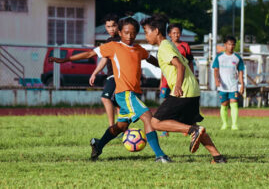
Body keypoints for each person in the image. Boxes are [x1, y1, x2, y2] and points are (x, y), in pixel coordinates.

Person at [49, 17, 171, 163]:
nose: (129, 36)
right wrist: (65, 60)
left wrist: (165, 66)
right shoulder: (113, 46)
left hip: (134, 94)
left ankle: (98, 145)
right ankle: (160, 156)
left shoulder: (138, 49)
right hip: (124, 93)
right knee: (147, 117)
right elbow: (89, 54)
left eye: (133, 33)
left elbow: (150, 58)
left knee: (121, 126)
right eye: (126, 32)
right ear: (120, 32)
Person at [141, 14, 227, 164]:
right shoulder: (170, 45)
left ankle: (193, 131)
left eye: (146, 32)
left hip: (183, 91)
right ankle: (218, 157)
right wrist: (148, 58)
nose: (146, 36)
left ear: (156, 31)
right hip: (193, 90)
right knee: (195, 127)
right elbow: (174, 63)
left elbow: (179, 66)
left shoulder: (164, 47)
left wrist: (178, 86)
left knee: (155, 122)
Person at [159, 23, 195, 137]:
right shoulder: (166, 46)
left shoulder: (185, 46)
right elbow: (164, 66)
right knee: (165, 104)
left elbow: (189, 63)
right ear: (169, 34)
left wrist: (192, 77)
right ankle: (165, 130)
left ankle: (187, 127)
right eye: (174, 33)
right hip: (167, 81)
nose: (176, 35)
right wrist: (161, 81)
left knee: (183, 104)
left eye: (178, 33)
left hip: (180, 80)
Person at [212, 36, 245, 131]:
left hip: (233, 85)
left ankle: (234, 125)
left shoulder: (237, 58)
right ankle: (225, 124)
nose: (231, 46)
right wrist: (216, 80)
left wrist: (242, 84)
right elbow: (215, 70)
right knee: (224, 104)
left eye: (233, 44)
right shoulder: (219, 57)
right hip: (223, 85)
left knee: (234, 103)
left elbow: (240, 72)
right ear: (225, 45)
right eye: (229, 44)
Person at [96, 13, 120, 126]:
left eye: (113, 25)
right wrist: (94, 73)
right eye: (108, 26)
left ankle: (112, 127)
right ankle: (121, 129)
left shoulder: (123, 40)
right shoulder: (109, 40)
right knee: (118, 103)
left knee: (105, 98)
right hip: (112, 75)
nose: (111, 29)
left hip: (118, 76)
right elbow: (104, 59)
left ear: (118, 25)